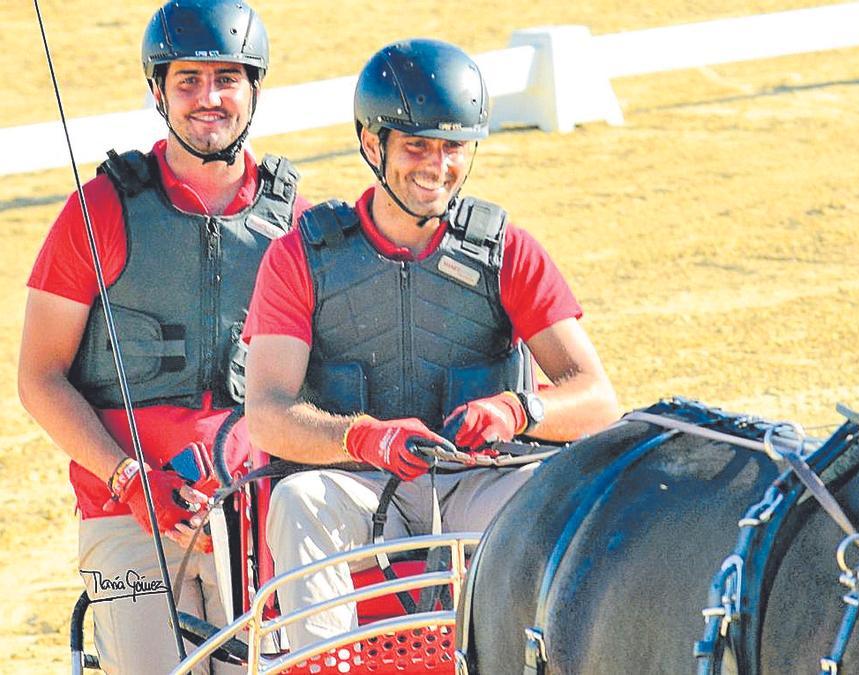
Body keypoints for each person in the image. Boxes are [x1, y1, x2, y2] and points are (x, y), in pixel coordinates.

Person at [241, 38, 620, 648]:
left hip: (479, 480)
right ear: (372, 143)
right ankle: (325, 660)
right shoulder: (299, 257)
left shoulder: (508, 251)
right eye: (416, 144)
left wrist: (516, 409)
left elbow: (598, 399)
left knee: (554, 495)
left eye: (453, 146)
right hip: (357, 486)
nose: (436, 166)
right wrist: (364, 435)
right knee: (297, 500)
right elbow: (266, 416)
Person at [17, 1, 309, 672]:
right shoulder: (97, 211)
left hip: (249, 510)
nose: (208, 98)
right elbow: (39, 376)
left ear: (253, 88)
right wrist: (128, 479)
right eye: (187, 81)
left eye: (227, 79)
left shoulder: (299, 221)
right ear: (158, 90)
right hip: (124, 513)